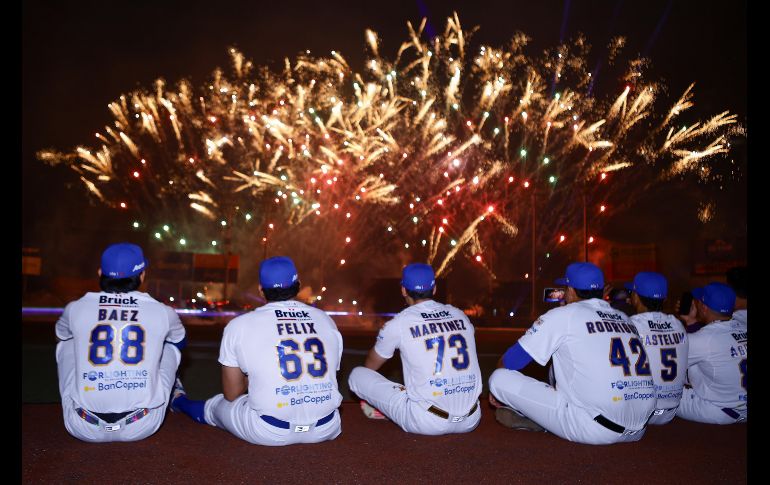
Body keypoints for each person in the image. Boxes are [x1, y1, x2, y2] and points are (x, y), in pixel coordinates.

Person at [171, 256, 344, 445]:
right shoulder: (325, 320)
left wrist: (256, 374)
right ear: (298, 285)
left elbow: (232, 393)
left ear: (261, 290)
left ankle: (178, 400)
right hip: (327, 426)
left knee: (218, 405)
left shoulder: (239, 326)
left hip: (270, 431)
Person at [488, 262, 655, 445]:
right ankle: (548, 416)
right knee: (563, 357)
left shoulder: (563, 315)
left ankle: (541, 418)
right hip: (640, 427)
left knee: (499, 378)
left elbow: (511, 361)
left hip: (594, 428)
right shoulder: (625, 318)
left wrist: (497, 393)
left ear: (571, 291)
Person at [55, 242, 186, 442]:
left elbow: (60, 335)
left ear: (100, 273)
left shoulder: (76, 307)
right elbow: (180, 342)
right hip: (143, 424)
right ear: (142, 275)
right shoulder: (162, 310)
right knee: (170, 345)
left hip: (82, 425)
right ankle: (171, 391)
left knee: (66, 342)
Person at [348, 263, 482, 435]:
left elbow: (371, 366)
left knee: (358, 375)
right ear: (434, 289)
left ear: (404, 290)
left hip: (426, 421)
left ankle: (389, 408)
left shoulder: (400, 323)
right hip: (471, 419)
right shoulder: (459, 314)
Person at [676, 282, 747, 424]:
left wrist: (688, 321)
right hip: (741, 405)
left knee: (661, 389)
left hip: (719, 410)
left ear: (703, 307)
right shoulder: (743, 326)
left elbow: (664, 364)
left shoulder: (702, 339)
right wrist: (691, 321)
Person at [625, 272, 688, 425]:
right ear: (665, 298)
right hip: (670, 411)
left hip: (638, 412)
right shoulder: (677, 324)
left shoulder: (629, 325)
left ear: (635, 297)